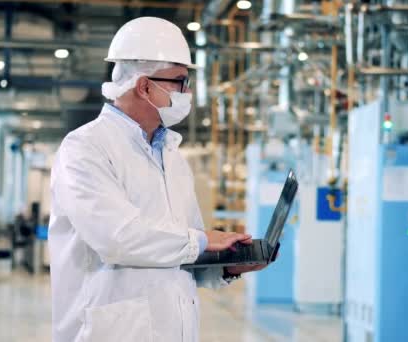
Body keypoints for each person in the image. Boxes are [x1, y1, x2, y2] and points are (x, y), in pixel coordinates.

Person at [48, 17, 266, 342]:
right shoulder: (85, 148)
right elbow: (117, 239)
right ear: (144, 85)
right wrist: (203, 240)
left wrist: (227, 266)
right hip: (111, 331)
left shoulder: (172, 156)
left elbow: (180, 253)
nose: (187, 92)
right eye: (180, 81)